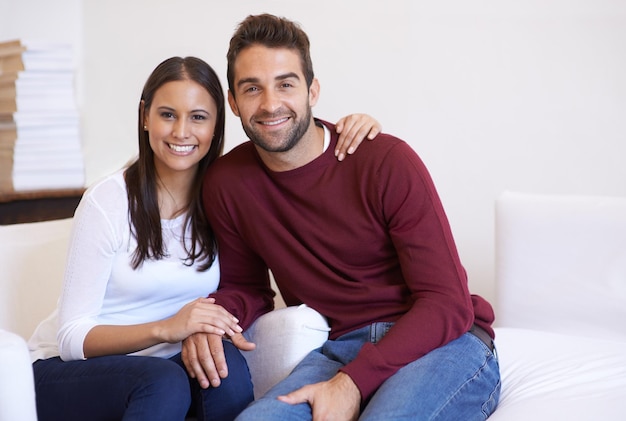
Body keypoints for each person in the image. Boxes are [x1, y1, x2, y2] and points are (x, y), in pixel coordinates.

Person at [182, 14, 501, 421]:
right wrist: (210, 319)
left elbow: (447, 303)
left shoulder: (384, 160)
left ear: (312, 90)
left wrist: (354, 383)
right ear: (233, 102)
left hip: (443, 343)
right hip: (341, 349)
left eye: (285, 84)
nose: (270, 103)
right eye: (251, 88)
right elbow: (247, 287)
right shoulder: (227, 182)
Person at [27, 55, 382, 421]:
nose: (182, 131)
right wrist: (168, 328)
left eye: (198, 117)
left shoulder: (223, 195)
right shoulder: (108, 200)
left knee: (222, 371)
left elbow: (253, 279)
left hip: (167, 365)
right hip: (64, 372)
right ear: (145, 117)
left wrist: (353, 129)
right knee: (162, 381)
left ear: (216, 127)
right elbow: (71, 338)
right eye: (168, 115)